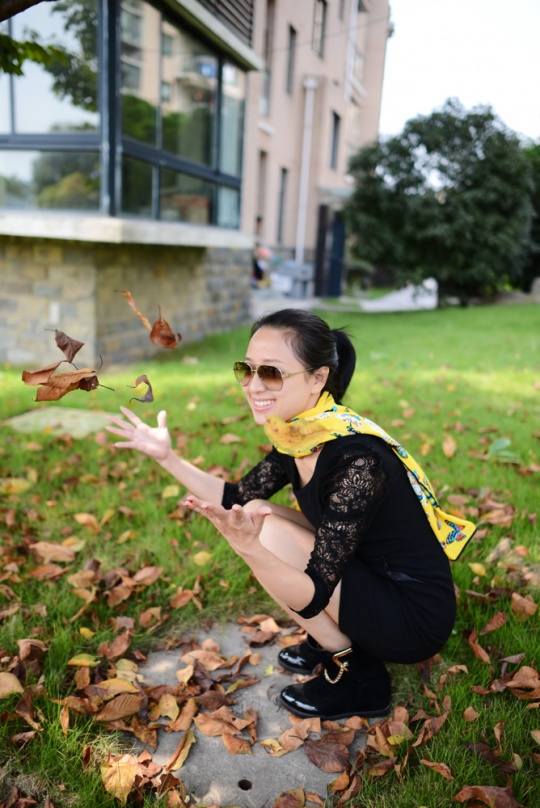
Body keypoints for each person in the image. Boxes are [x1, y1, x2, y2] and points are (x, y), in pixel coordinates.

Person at [106, 309, 475, 720]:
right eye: (246, 369)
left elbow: (314, 589)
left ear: (318, 378)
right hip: (368, 573)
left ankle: (359, 675)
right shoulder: (300, 434)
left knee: (265, 534)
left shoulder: (357, 460)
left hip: (410, 616)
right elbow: (236, 497)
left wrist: (250, 549)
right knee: (256, 510)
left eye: (271, 373)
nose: (253, 385)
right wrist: (167, 457)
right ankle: (334, 638)